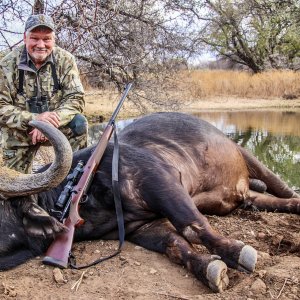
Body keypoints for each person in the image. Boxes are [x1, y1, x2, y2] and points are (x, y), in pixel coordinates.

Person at [0, 14, 88, 238]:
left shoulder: (65, 60)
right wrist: (33, 120)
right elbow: (1, 106)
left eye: (46, 38)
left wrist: (52, 120)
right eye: (35, 38)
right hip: (22, 131)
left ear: (54, 39)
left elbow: (76, 99)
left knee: (79, 124)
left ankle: (78, 185)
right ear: (25, 38)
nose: (41, 44)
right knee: (15, 192)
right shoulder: (6, 63)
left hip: (56, 127)